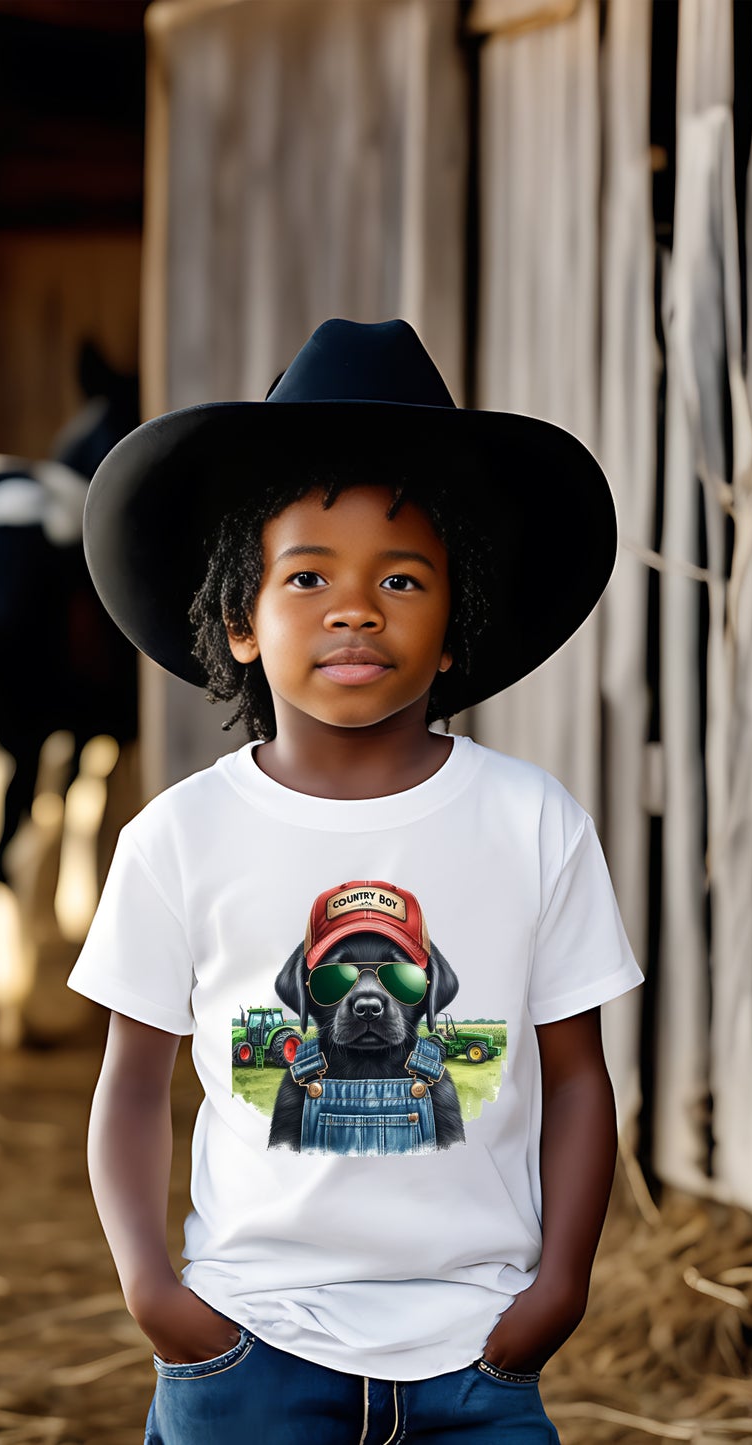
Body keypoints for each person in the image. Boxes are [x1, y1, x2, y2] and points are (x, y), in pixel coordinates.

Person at [70, 318, 643, 1443]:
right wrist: (159, 1296)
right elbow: (133, 1083)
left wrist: (556, 1288)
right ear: (239, 618)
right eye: (304, 574)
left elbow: (577, 1078)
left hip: (478, 1357)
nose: (353, 606)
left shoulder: (532, 823)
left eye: (400, 575)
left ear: (452, 625)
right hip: (246, 1346)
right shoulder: (177, 836)